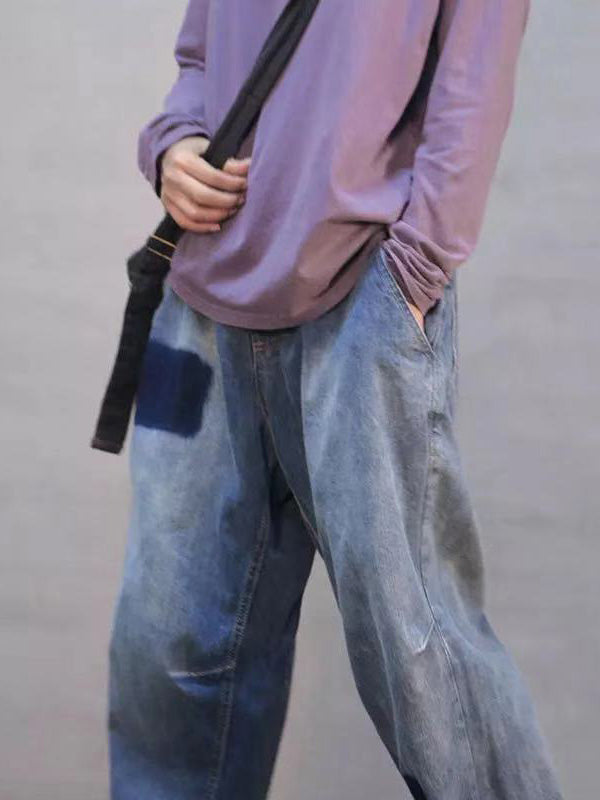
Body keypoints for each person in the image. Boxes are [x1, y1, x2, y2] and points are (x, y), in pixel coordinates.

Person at [107, 1, 565, 798]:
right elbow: (201, 59)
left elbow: (472, 86)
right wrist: (173, 145)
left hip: (360, 304)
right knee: (166, 660)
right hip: (200, 307)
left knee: (423, 665)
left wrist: (414, 272)